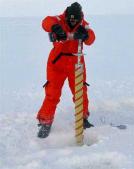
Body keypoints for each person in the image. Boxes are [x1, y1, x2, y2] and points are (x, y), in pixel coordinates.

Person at [37, 2, 96, 138]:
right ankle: (45, 122)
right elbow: (46, 22)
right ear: (67, 15)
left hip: (77, 63)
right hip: (57, 63)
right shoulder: (57, 20)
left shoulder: (83, 25)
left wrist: (86, 35)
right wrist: (55, 28)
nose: (72, 20)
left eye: (75, 18)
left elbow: (91, 38)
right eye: (70, 18)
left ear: (80, 17)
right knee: (52, 93)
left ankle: (83, 119)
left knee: (80, 91)